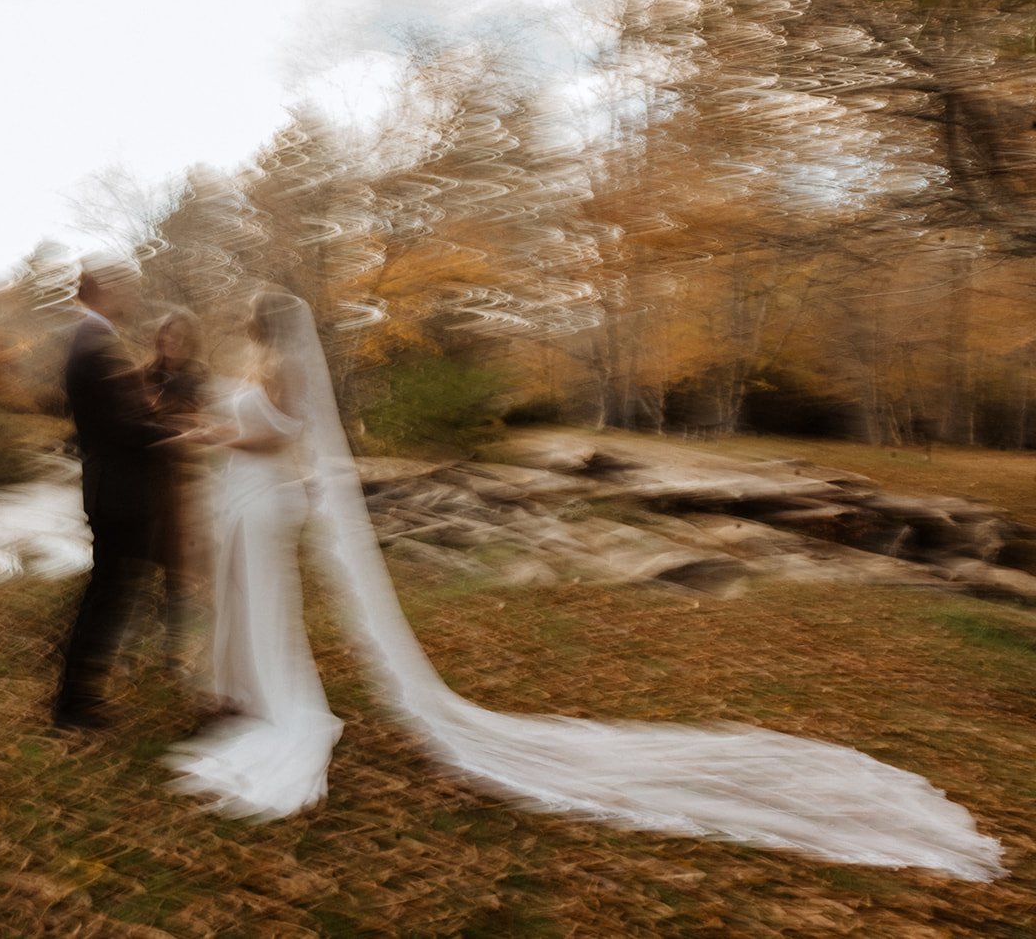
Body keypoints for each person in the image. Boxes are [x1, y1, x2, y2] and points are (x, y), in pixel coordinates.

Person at [165, 287, 1004, 880]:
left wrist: (211, 437)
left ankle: (279, 710)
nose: (241, 317)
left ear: (261, 321)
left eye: (248, 312)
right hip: (255, 502)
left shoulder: (276, 368)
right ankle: (250, 693)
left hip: (258, 499)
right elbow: (272, 429)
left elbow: (274, 433)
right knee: (254, 604)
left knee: (266, 607)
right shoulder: (269, 358)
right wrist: (217, 431)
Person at [52, 260, 171, 730]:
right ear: (106, 289)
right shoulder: (97, 342)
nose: (135, 296)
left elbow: (119, 419)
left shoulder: (93, 337)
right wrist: (175, 436)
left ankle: (78, 694)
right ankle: (76, 703)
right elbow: (124, 428)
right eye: (130, 287)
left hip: (112, 489)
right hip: (120, 493)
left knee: (111, 594)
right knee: (109, 597)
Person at [141, 309, 209, 674]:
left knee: (179, 574)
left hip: (185, 485)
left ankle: (174, 654)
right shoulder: (143, 376)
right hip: (146, 483)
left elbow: (208, 428)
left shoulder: (200, 379)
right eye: (169, 334)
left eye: (182, 336)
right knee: (138, 567)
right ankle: (129, 649)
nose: (174, 342)